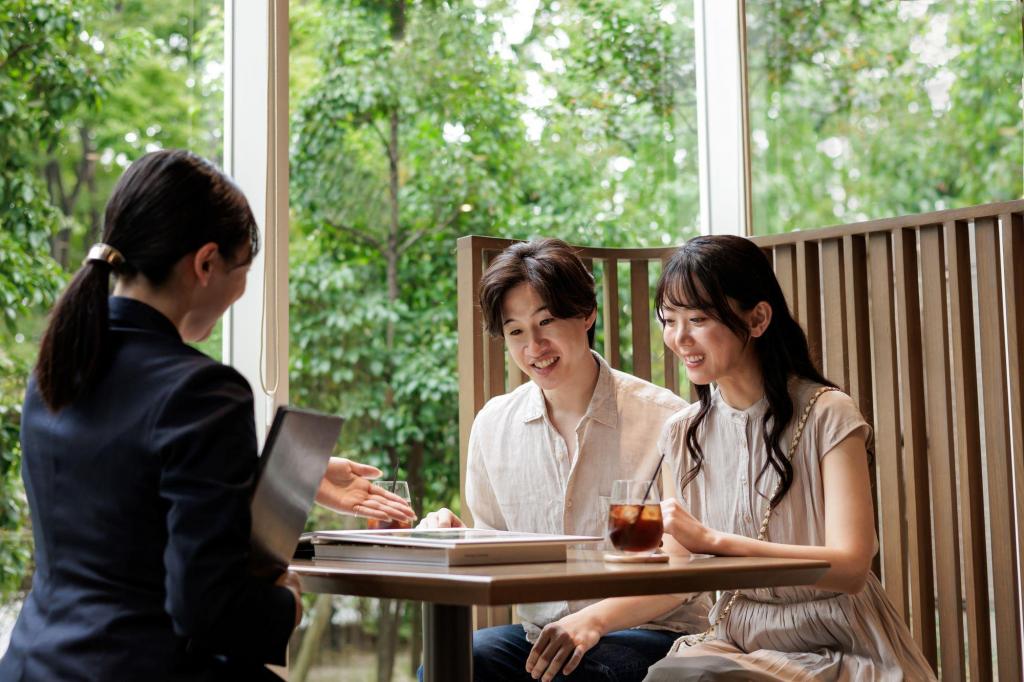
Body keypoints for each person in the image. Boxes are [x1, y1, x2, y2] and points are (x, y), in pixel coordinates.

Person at [0, 149, 413, 682]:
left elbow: (129, 496)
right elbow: (208, 608)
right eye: (243, 269)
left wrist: (289, 477)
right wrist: (286, 601)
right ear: (205, 262)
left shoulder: (57, 366)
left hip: (35, 664)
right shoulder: (204, 389)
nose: (240, 291)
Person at [643, 235, 935, 681]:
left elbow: (852, 567)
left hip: (838, 639)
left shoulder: (826, 413)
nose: (679, 337)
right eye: (669, 320)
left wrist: (715, 542)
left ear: (757, 318)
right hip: (738, 636)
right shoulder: (683, 433)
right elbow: (677, 565)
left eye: (698, 318)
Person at [419, 238, 710, 682]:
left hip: (652, 630)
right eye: (515, 331)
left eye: (547, 321)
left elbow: (682, 569)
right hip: (542, 635)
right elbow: (496, 552)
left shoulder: (666, 419)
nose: (534, 346)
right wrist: (457, 538)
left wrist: (593, 621)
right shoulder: (494, 425)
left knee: (585, 673)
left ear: (586, 314)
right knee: (453, 663)